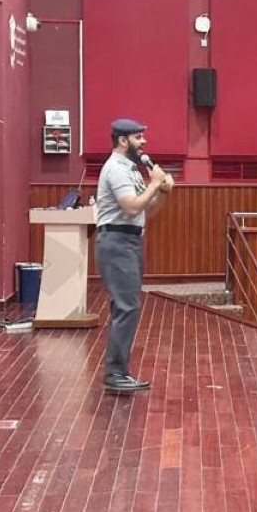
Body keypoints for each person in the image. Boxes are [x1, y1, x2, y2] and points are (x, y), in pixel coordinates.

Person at [95, 118, 173, 392]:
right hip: (117, 241)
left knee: (125, 306)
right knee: (127, 307)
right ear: (122, 140)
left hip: (129, 241)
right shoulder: (116, 169)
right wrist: (155, 182)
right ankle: (115, 374)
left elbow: (145, 211)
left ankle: (119, 372)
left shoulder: (131, 170)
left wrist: (162, 192)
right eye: (138, 137)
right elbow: (130, 207)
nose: (144, 142)